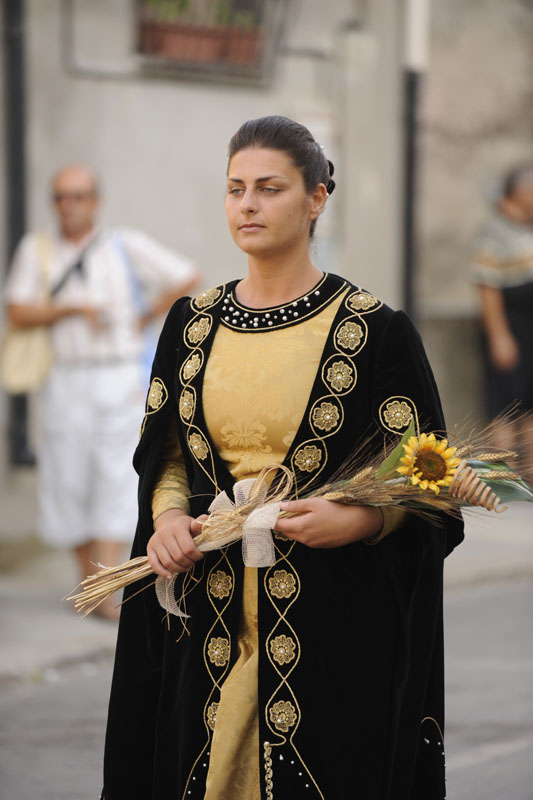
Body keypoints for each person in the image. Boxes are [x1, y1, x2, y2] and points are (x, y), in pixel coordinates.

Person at [101, 117, 463, 797]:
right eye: (235, 188)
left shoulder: (374, 330)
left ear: (316, 198)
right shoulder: (192, 323)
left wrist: (356, 521)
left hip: (333, 629)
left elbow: (424, 477)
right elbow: (167, 453)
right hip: (204, 617)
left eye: (269, 188)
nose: (247, 204)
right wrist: (168, 519)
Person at [3, 164, 199, 618]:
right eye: (60, 197)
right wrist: (71, 309)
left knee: (116, 476)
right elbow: (17, 311)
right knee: (67, 477)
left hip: (117, 377)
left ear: (95, 200)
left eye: (78, 196)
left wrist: (143, 314)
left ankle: (103, 587)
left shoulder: (124, 246)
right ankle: (88, 580)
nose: (69, 206)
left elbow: (186, 276)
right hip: (66, 378)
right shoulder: (39, 251)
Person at [473, 164, 533, 482]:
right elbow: (487, 286)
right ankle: (503, 477)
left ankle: (529, 475)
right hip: (510, 326)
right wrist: (499, 336)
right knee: (504, 403)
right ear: (520, 192)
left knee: (529, 404)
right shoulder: (494, 230)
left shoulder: (526, 227)